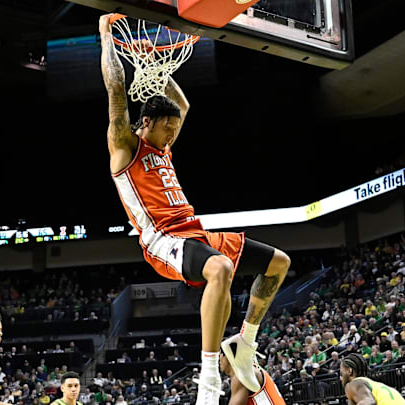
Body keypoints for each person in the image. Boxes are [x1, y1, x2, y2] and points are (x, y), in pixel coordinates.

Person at [99, 12, 290, 404]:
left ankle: (245, 345)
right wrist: (106, 37)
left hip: (194, 230)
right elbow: (116, 92)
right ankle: (208, 377)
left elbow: (182, 103)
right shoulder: (124, 147)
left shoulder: (163, 144)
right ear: (145, 122)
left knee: (279, 263)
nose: (173, 133)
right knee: (218, 267)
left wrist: (153, 64)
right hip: (161, 238)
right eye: (166, 127)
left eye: (174, 128)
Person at [219, 350, 285, 405]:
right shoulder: (251, 369)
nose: (218, 359)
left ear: (227, 356)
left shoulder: (242, 375)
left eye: (220, 354)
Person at [339, 353, 405, 405]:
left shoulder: (354, 383)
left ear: (349, 371)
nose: (340, 379)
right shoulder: (374, 385)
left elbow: (369, 402)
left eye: (341, 374)